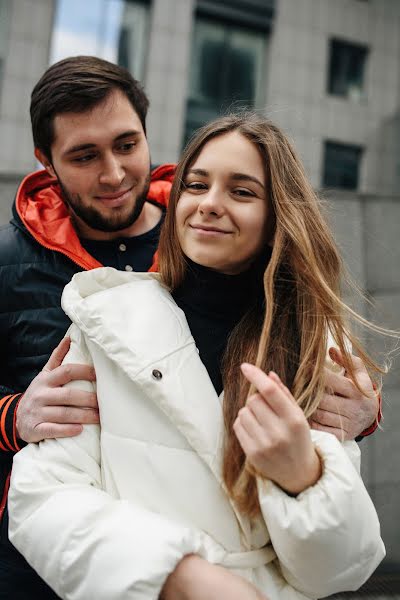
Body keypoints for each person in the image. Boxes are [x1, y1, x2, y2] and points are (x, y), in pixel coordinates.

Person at [0, 56, 380, 598]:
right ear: (46, 160)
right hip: (60, 574)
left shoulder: (289, 318)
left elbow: (343, 552)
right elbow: (45, 500)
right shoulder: (41, 279)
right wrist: (12, 415)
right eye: (84, 156)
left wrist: (349, 428)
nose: (112, 173)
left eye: (127, 145)